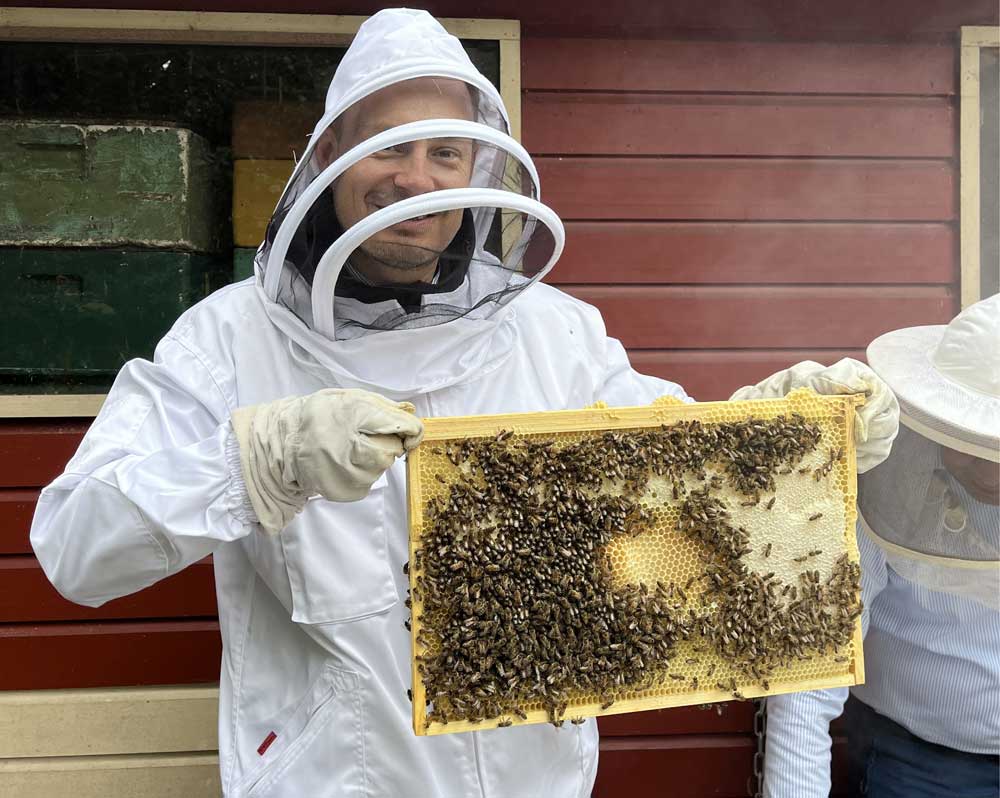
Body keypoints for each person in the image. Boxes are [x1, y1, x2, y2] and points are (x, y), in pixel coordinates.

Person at [30, 9, 899, 797]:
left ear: (477, 167)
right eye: (389, 147)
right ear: (328, 157)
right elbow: (76, 548)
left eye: (443, 153)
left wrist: (783, 436)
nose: (416, 179)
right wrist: (253, 461)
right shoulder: (227, 339)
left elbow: (670, 467)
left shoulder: (555, 332)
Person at [762, 294, 1000, 798]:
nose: (988, 470)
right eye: (970, 441)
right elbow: (812, 677)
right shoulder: (884, 483)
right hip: (921, 764)